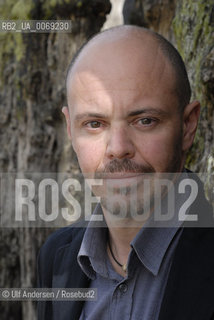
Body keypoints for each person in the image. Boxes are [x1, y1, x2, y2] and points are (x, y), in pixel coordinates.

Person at [37, 25, 214, 320]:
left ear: (188, 126)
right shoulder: (56, 258)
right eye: (95, 124)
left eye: (144, 120)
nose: (118, 149)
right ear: (70, 130)